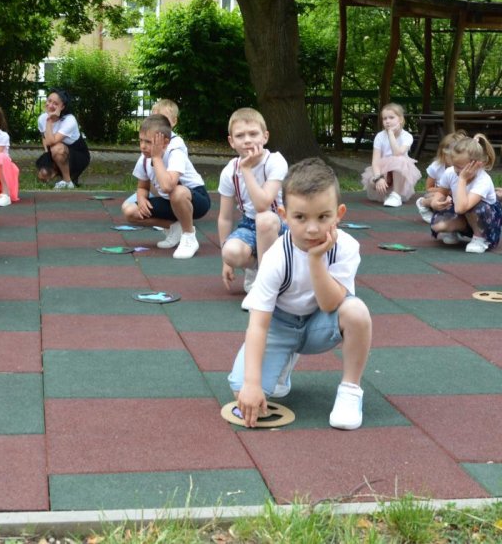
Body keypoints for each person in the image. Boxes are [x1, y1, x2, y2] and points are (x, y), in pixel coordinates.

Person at [228, 158, 371, 430]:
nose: (313, 228)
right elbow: (258, 325)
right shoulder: (277, 257)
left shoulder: (346, 247)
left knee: (356, 311)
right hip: (279, 325)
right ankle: (283, 362)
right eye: (301, 217)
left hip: (319, 323)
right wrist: (252, 383)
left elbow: (330, 303)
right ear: (284, 215)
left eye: (323, 217)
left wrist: (316, 259)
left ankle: (350, 390)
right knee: (243, 393)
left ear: (339, 213)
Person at [121, 113, 211, 259]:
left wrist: (156, 158)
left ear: (165, 142)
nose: (143, 146)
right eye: (141, 140)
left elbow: (167, 187)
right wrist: (141, 199)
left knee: (177, 192)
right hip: (169, 202)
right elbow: (142, 187)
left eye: (148, 142)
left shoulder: (175, 154)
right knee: (130, 211)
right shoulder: (144, 159)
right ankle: (174, 227)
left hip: (196, 200)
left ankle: (189, 237)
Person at [217, 107, 287, 292]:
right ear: (231, 142)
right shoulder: (229, 172)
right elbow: (225, 218)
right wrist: (226, 262)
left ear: (265, 137)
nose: (247, 140)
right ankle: (257, 268)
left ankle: (266, 282)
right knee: (230, 251)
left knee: (265, 219)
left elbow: (263, 205)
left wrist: (246, 170)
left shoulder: (275, 161)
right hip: (249, 225)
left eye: (253, 134)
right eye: (240, 136)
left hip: (278, 224)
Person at [430, 134, 502, 254]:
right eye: (454, 166)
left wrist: (462, 180)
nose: (457, 170)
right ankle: (455, 229)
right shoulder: (450, 172)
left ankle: (480, 238)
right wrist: (435, 202)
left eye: (461, 167)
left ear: (478, 164)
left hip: (484, 217)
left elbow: (461, 208)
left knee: (473, 208)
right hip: (462, 211)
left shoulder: (483, 180)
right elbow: (441, 192)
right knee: (438, 225)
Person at [360, 102, 421, 207]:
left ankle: (396, 195)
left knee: (399, 160)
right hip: (384, 173)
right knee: (372, 181)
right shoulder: (380, 136)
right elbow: (375, 161)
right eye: (385, 118)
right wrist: (378, 178)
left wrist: (391, 134)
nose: (387, 121)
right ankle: (387, 192)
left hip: (400, 174)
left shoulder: (407, 136)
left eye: (391, 117)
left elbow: (397, 153)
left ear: (400, 119)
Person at [35, 89, 90, 189]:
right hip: (55, 153)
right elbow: (44, 138)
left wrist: (49, 120)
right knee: (43, 175)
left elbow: (51, 141)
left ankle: (67, 181)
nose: (50, 105)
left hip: (77, 155)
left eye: (55, 103)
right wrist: (47, 155)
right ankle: (65, 176)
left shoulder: (69, 120)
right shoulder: (41, 118)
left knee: (57, 148)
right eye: (49, 101)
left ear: (62, 107)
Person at [415, 130, 466, 224]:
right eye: (451, 157)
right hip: (437, 194)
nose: (455, 161)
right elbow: (429, 188)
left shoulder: (463, 168)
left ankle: (447, 215)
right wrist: (444, 191)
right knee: (442, 198)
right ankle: (423, 203)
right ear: (443, 154)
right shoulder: (436, 167)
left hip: (454, 195)